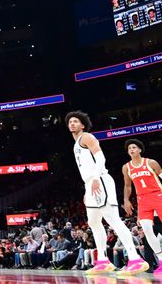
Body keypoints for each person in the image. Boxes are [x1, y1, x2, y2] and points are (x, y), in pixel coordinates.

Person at [66, 111, 149, 275]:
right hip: (91, 184)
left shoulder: (87, 137)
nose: (72, 124)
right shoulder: (76, 143)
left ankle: (135, 259)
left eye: (75, 121)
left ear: (82, 125)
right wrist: (87, 187)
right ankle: (103, 261)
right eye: (70, 122)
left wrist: (96, 179)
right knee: (94, 222)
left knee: (113, 220)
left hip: (100, 180)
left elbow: (100, 158)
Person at [122, 138, 162, 277]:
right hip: (142, 200)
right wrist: (126, 200)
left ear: (139, 149)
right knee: (147, 230)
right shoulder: (127, 167)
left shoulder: (151, 162)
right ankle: (161, 261)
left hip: (158, 196)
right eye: (129, 149)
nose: (131, 150)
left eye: (133, 147)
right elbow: (128, 186)